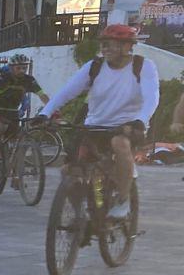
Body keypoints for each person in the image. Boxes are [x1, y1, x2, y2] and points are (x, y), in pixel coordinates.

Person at [37, 23, 160, 219]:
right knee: (69, 170)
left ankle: (123, 199)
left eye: (111, 44)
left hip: (127, 126)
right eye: (103, 44)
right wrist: (45, 113)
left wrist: (140, 120)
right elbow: (66, 92)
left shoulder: (143, 66)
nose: (105, 49)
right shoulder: (94, 67)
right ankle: (80, 216)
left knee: (119, 143)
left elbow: (151, 97)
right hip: (94, 126)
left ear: (128, 46)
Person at [0, 53, 49, 164]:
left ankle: (13, 170)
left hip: (13, 112)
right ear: (11, 68)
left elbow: (42, 95)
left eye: (24, 68)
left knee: (15, 138)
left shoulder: (29, 80)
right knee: (1, 127)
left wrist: (52, 109)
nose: (22, 70)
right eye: (19, 68)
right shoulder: (3, 79)